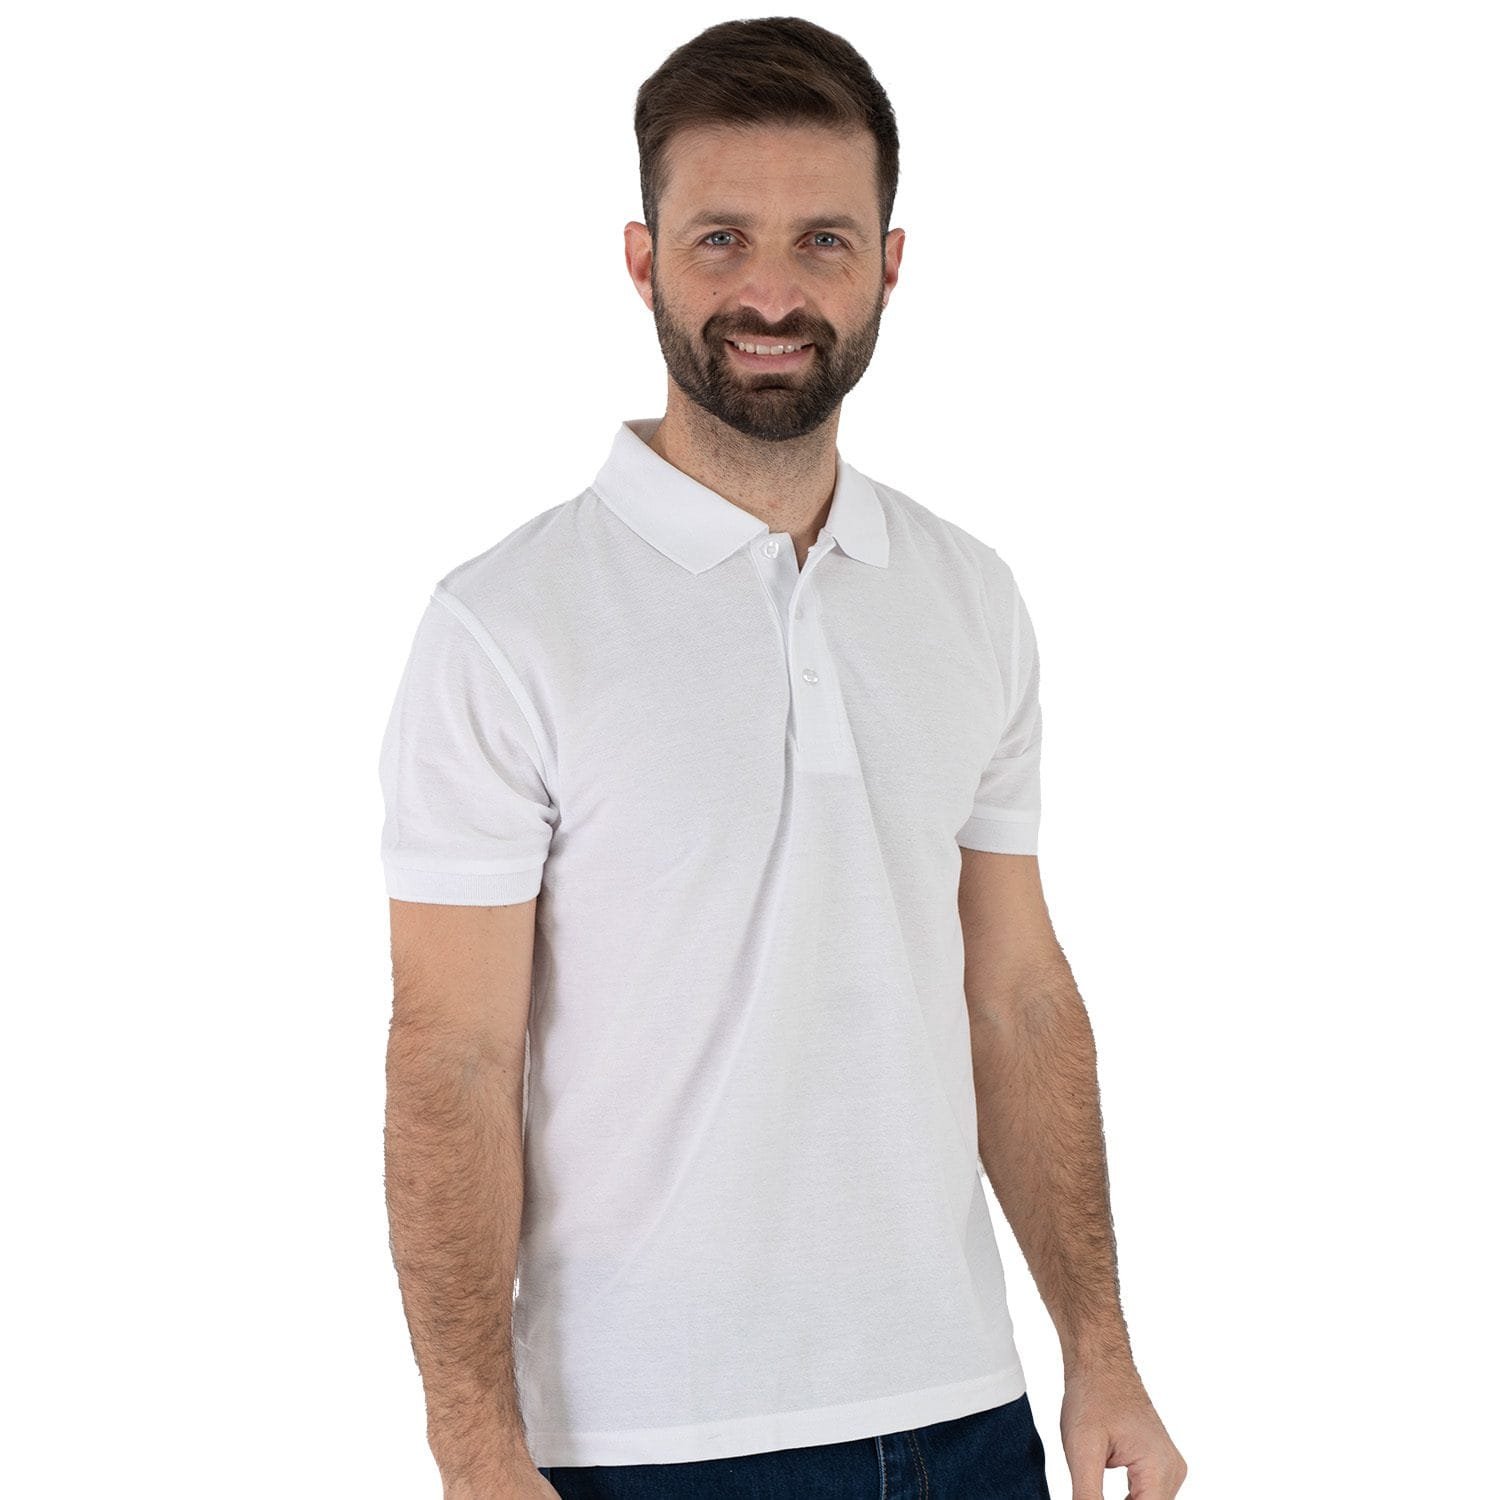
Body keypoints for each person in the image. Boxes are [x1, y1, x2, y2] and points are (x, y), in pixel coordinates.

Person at [378, 17, 1187, 1500]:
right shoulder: (505, 626)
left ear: (889, 264)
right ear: (642, 261)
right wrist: (473, 1445)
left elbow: (1015, 995)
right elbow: (453, 1055)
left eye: (822, 240)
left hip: (968, 1417)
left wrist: (1102, 1350)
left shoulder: (968, 595)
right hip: (645, 1445)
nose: (770, 292)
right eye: (720, 240)